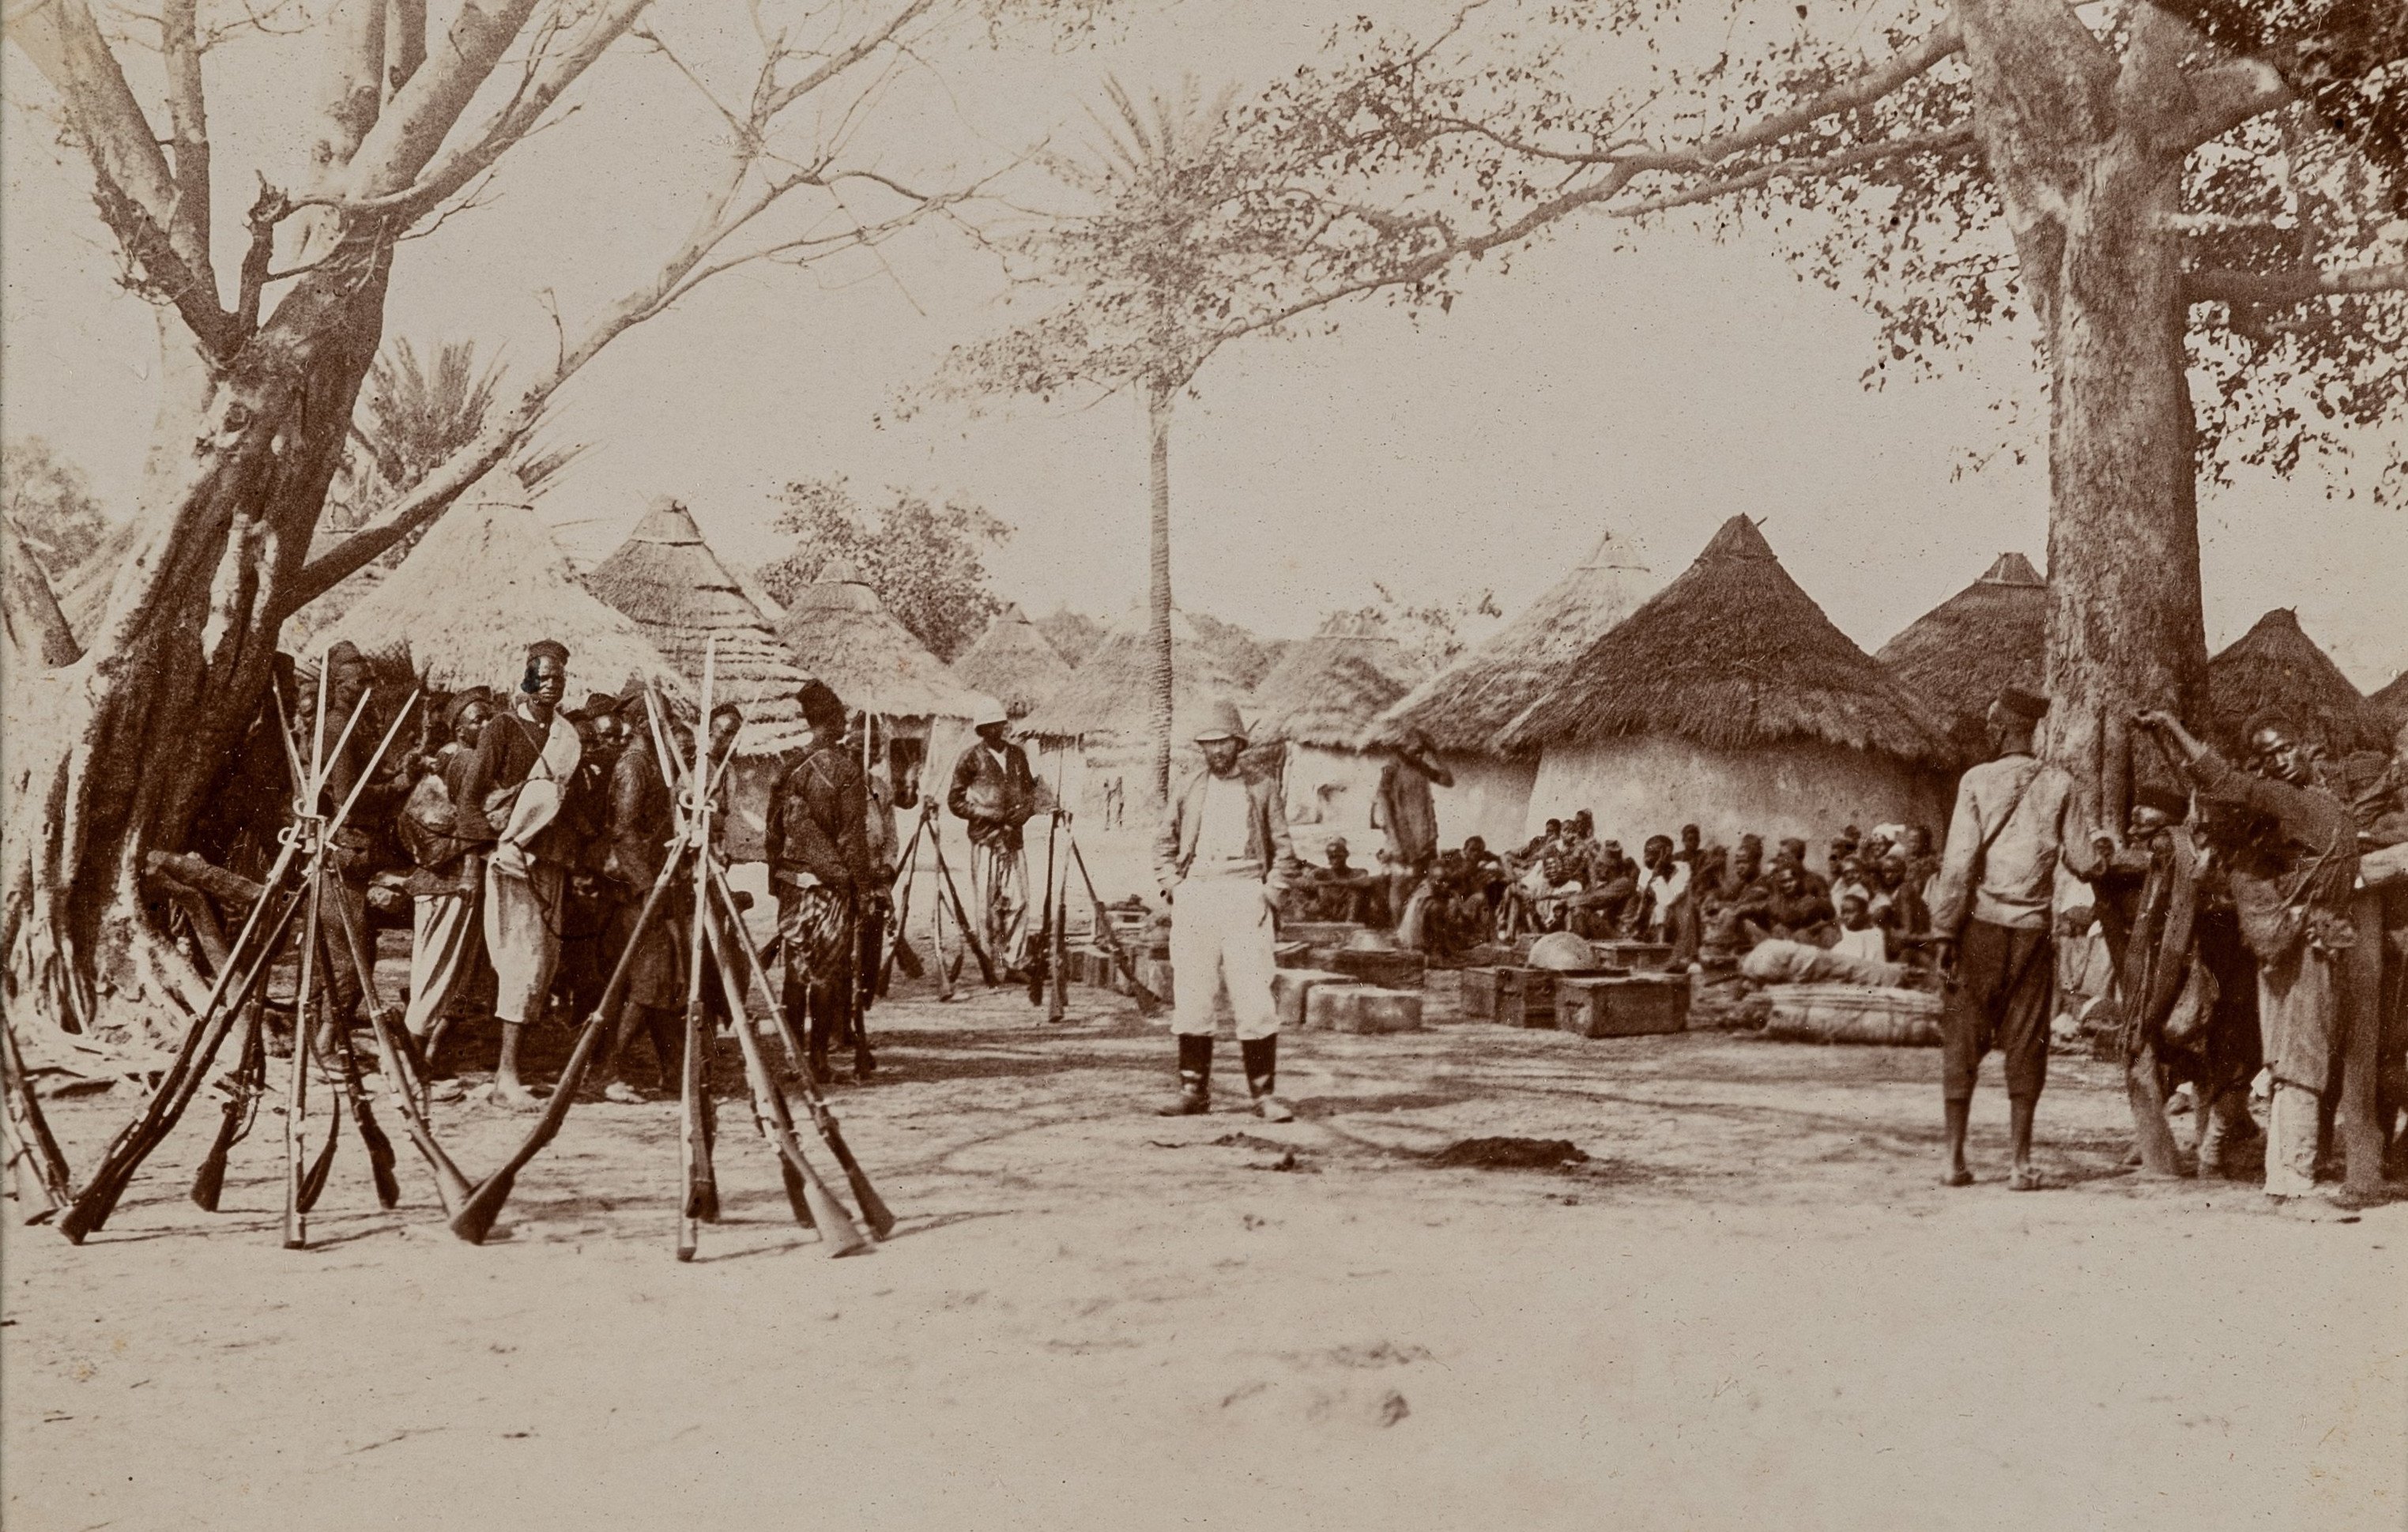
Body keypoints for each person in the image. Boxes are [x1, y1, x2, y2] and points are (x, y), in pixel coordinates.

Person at [2139, 706, 2363, 1208]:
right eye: (2269, 755)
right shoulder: (2293, 803)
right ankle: (2298, 1187)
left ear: (2307, 746)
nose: (2281, 760)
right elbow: (2225, 781)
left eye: (2286, 748)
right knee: (2301, 1062)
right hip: (2303, 941)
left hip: (2305, 938)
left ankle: (2283, 1180)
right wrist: (2174, 729)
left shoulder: (2310, 804)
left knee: (2292, 1058)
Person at [1928, 686, 2084, 1191]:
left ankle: (1954, 1160)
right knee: (2027, 1043)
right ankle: (2020, 1165)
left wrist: (1944, 930)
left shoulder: (1976, 780)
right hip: (2033, 937)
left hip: (1982, 931)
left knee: (1963, 1038)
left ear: (1998, 730)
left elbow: (1958, 863)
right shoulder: (2061, 783)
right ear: (2032, 730)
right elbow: (2082, 860)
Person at [1151, 699, 1303, 1120]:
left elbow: (1285, 850)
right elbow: (1164, 844)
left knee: (1254, 996)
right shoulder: (1187, 786)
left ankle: (1263, 1096)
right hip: (1198, 894)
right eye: (1208, 743)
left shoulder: (1262, 787)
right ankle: (1194, 1092)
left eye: (1223, 742)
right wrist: (1174, 887)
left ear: (1239, 743)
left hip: (1244, 895)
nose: (1216, 751)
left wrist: (1271, 892)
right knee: (1194, 995)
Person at [456, 638, 585, 1109]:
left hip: (549, 861)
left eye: (559, 678)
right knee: (520, 964)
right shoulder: (501, 730)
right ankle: (505, 1077)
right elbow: (470, 800)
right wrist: (478, 858)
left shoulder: (567, 736)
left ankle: (514, 1071)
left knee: (543, 964)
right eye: (543, 676)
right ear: (528, 678)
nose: (551, 685)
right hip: (510, 861)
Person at [768, 681, 876, 1083]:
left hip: (794, 885)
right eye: (842, 718)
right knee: (826, 973)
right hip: (830, 888)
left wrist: (775, 881)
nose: (846, 724)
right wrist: (862, 889)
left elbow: (773, 834)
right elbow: (851, 837)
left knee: (797, 971)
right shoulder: (846, 770)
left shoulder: (788, 768)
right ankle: (817, 1060)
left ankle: (793, 1058)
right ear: (832, 720)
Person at [395, 687, 496, 1095]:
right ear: (458, 728)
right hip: (447, 885)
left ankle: (420, 1064)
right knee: (436, 975)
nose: (486, 725)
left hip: (451, 884)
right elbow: (450, 825)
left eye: (490, 719)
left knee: (443, 976)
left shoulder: (465, 761)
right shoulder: (459, 763)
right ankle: (407, 1069)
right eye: (478, 720)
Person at [594, 689, 685, 1104]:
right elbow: (623, 831)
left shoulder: (655, 765)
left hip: (657, 883)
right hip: (638, 889)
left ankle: (673, 1072)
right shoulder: (634, 765)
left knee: (662, 977)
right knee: (651, 977)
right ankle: (608, 1070)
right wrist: (648, 886)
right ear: (645, 724)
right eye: (662, 721)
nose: (668, 729)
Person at [948, 703, 1042, 974]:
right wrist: (985, 812)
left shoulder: (1017, 755)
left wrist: (1024, 811)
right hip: (985, 838)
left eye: (999, 724)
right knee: (987, 905)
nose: (996, 730)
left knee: (1019, 899)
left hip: (1013, 838)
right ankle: (992, 963)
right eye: (989, 726)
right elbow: (955, 801)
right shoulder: (970, 758)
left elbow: (1029, 792)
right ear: (980, 730)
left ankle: (1014, 962)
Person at [1372, 731, 1454, 929]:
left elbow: (1447, 780)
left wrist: (1436, 753)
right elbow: (1384, 805)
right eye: (1415, 751)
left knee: (1424, 883)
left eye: (1422, 752)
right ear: (1403, 748)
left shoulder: (1421, 767)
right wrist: (1394, 840)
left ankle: (1417, 930)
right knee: (1400, 882)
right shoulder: (1390, 769)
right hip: (1402, 837)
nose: (1420, 756)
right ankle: (1398, 928)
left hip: (1424, 838)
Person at [1637, 834, 1693, 950]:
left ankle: (1661, 946)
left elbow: (1668, 901)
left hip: (1677, 924)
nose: (1649, 858)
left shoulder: (1682, 869)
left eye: (1654, 854)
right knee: (1655, 909)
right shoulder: (1646, 872)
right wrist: (1656, 873)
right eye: (1647, 854)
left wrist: (1658, 874)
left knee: (1660, 908)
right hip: (1651, 924)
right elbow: (1644, 900)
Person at [1832, 891, 1888, 965]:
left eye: (1850, 912)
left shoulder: (1875, 934)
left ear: (1863, 914)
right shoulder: (1840, 931)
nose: (1845, 917)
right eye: (1843, 912)